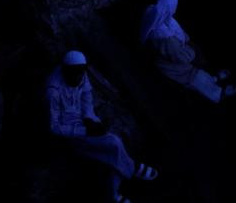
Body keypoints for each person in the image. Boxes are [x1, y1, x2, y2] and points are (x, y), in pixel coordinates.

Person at [46, 50, 158, 203]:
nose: (79, 77)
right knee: (114, 143)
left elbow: (87, 101)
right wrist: (85, 130)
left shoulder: (81, 75)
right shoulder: (54, 90)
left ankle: (114, 195)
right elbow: (54, 127)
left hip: (85, 122)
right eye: (75, 73)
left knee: (112, 155)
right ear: (66, 70)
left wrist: (90, 119)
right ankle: (133, 168)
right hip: (72, 135)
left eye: (81, 73)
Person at [140, 0, 236, 103]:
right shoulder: (163, 36)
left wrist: (186, 42)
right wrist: (192, 51)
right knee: (195, 79)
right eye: (174, 5)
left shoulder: (159, 14)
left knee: (199, 73)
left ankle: (214, 80)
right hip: (172, 67)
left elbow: (180, 34)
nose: (175, 8)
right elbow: (180, 57)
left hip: (180, 56)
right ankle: (218, 94)